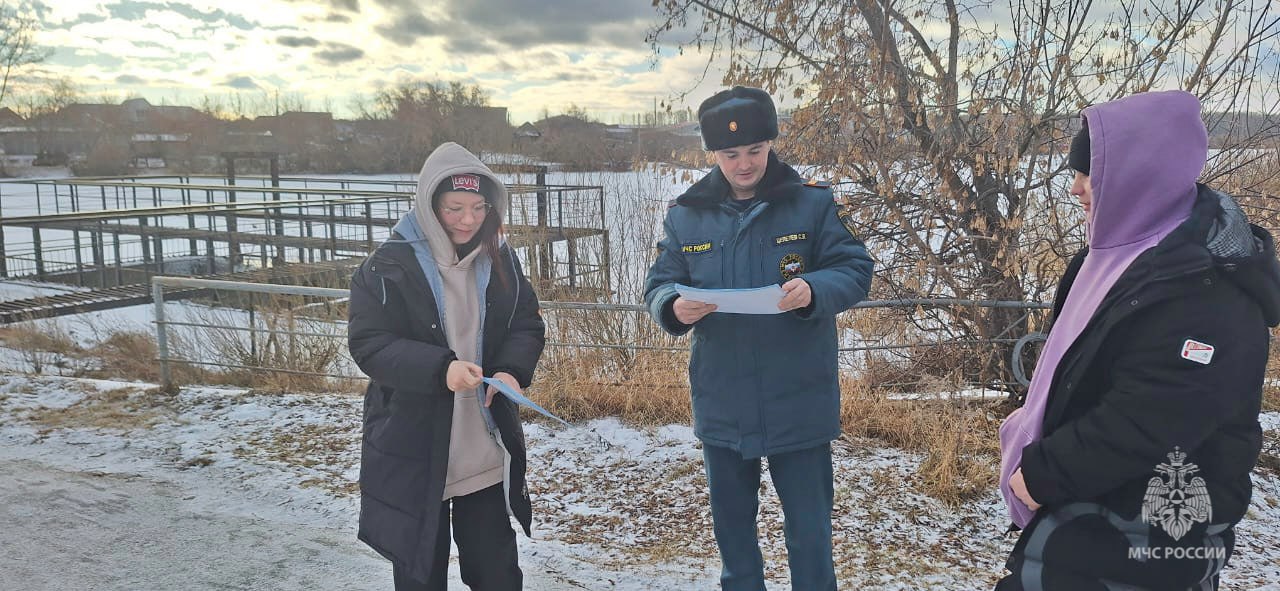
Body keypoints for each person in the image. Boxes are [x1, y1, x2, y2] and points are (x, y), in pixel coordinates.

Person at [997, 90, 1280, 590]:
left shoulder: (1206, 286)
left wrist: (1043, 473)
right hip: (1083, 520)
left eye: (1089, 173)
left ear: (1138, 177)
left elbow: (1153, 413)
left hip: (1146, 537)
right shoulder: (1103, 260)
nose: (1076, 188)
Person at [644, 86, 874, 590]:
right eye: (730, 154)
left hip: (799, 402)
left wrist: (813, 289)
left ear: (770, 144)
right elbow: (659, 284)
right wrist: (673, 308)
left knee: (810, 539)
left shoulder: (810, 204)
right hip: (723, 403)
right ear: (713, 154)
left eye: (754, 150)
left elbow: (855, 269)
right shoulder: (687, 214)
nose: (744, 163)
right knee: (734, 540)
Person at [348, 142, 546, 590]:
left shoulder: (502, 260)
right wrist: (441, 369)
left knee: (498, 576)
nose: (468, 219)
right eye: (454, 207)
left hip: (484, 450)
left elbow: (526, 323)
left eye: (478, 207)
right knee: (421, 578)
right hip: (415, 452)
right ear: (429, 204)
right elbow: (369, 345)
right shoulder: (385, 267)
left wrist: (513, 369)